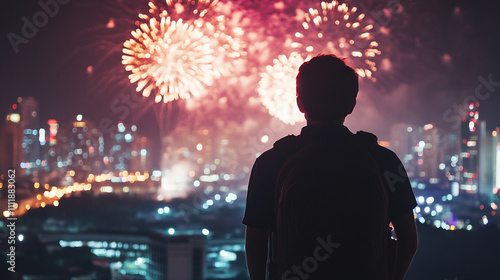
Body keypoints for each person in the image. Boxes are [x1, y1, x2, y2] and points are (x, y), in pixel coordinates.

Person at [243, 54, 418, 280]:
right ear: (351, 104)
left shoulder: (270, 163)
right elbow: (409, 241)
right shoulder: (383, 160)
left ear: (300, 103)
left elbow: (256, 247)